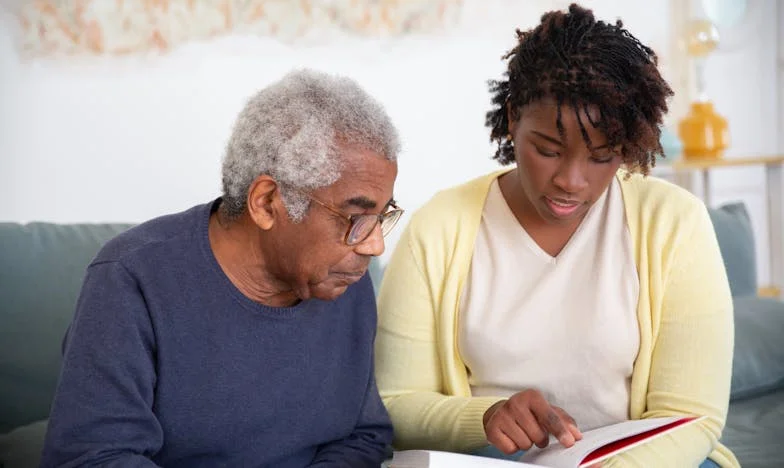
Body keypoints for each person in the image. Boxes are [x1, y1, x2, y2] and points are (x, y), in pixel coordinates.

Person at [374, 4, 739, 468]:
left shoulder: (675, 223)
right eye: (548, 149)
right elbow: (396, 402)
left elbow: (692, 418)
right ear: (512, 118)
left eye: (602, 157)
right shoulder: (439, 226)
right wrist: (483, 418)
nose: (571, 180)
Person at [40, 68, 403, 467]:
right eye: (355, 218)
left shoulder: (344, 279)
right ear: (266, 202)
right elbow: (95, 457)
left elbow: (362, 435)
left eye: (383, 216)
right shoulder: (132, 278)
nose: (375, 244)